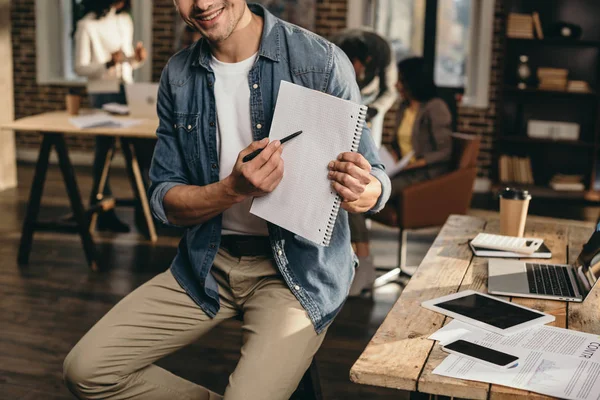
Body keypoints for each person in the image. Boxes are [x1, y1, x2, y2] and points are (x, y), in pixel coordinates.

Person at [63, 1, 391, 400]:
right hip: (206, 263)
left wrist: (368, 190)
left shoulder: (319, 61)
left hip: (296, 274)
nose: (201, 3)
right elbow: (165, 199)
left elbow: (374, 173)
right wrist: (231, 190)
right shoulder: (178, 75)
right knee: (86, 371)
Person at [348, 56, 453, 295]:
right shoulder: (405, 107)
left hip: (425, 176)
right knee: (355, 186)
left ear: (413, 81)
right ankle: (359, 260)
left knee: (358, 194)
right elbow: (398, 143)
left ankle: (363, 263)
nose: (396, 86)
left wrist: (413, 165)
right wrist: (391, 154)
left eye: (401, 81)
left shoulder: (435, 107)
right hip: (401, 170)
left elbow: (444, 152)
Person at [331, 29, 398, 296]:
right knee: (344, 181)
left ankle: (362, 259)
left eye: (356, 65)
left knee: (365, 177)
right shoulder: (335, 48)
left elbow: (389, 92)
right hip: (343, 110)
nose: (354, 70)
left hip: (373, 111)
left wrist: (372, 112)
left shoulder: (382, 52)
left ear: (367, 60)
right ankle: (353, 256)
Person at [74, 0, 148, 232]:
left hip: (127, 88)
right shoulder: (86, 25)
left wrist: (136, 59)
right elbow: (79, 67)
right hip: (102, 92)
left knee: (141, 148)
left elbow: (128, 62)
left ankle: (146, 212)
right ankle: (104, 212)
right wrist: (108, 62)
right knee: (105, 151)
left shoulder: (124, 20)